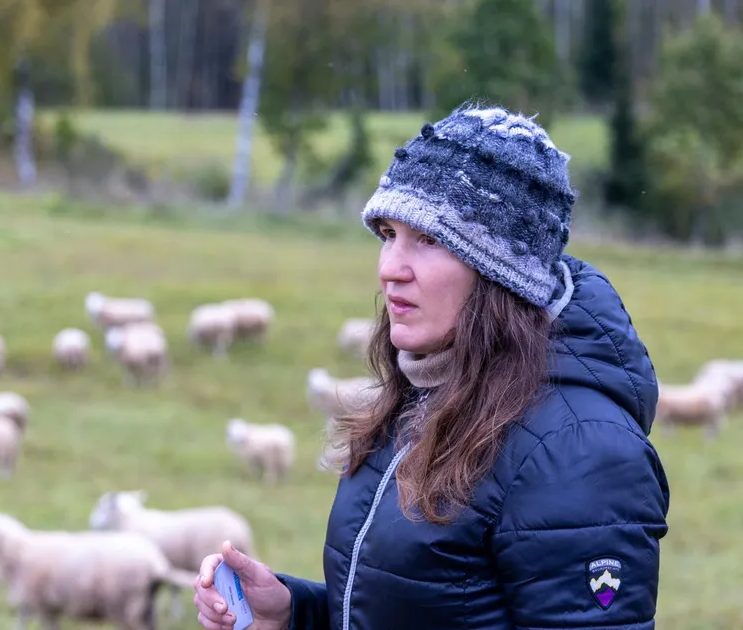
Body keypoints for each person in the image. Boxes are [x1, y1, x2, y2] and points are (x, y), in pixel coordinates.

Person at [192, 103, 670, 630]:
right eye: (388, 234)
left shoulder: (577, 449)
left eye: (429, 239)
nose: (391, 268)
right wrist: (294, 615)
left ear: (500, 270)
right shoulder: (425, 392)